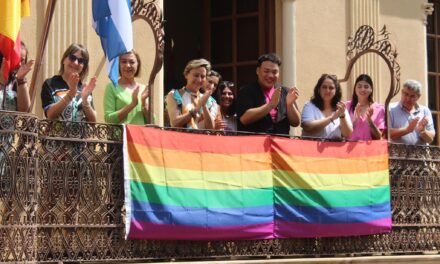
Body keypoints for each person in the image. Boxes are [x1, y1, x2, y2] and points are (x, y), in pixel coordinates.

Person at [237, 53, 300, 135]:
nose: (270, 75)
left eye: (274, 72)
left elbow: (296, 122)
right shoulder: (247, 90)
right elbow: (244, 119)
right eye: (266, 71)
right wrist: (270, 106)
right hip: (256, 143)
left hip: (280, 144)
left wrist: (289, 105)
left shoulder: (285, 91)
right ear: (258, 71)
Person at [41, 43, 96, 122]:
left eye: (81, 61)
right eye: (72, 58)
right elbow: (50, 115)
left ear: (83, 67)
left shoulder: (84, 89)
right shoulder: (50, 84)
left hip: (81, 134)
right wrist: (71, 94)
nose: (76, 63)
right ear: (64, 60)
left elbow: (93, 122)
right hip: (56, 134)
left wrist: (85, 100)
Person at [166, 58, 214, 129]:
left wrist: (204, 105)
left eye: (203, 76)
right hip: (181, 139)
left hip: (201, 139)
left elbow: (211, 128)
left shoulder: (208, 99)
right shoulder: (174, 95)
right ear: (186, 75)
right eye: (196, 75)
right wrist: (197, 108)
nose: (199, 80)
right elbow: (175, 123)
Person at [103, 50, 149, 124]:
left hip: (139, 135)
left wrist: (144, 102)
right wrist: (132, 105)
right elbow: (109, 119)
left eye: (132, 62)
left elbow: (152, 121)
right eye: (124, 62)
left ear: (138, 64)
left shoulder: (144, 89)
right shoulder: (112, 87)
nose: (128, 65)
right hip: (122, 135)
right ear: (118, 64)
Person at [301, 74, 353, 139]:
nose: (327, 90)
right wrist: (331, 118)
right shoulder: (309, 106)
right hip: (311, 148)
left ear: (336, 91)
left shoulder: (341, 108)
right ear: (319, 89)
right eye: (324, 87)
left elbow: (347, 133)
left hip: (334, 148)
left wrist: (342, 116)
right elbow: (307, 127)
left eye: (331, 88)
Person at [389, 79, 436, 145]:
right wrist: (407, 130)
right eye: (406, 94)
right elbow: (386, 134)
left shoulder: (425, 111)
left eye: (412, 96)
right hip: (398, 155)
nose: (408, 99)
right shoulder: (390, 109)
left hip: (420, 155)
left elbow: (430, 139)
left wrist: (423, 131)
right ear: (402, 92)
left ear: (418, 96)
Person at [346, 74, 385, 141]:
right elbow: (343, 134)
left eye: (366, 87)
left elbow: (379, 136)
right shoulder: (346, 106)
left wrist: (369, 121)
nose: (363, 89)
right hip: (349, 149)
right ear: (355, 88)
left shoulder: (379, 109)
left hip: (369, 150)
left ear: (371, 89)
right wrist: (354, 121)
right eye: (359, 86)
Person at [0, 41, 34, 112]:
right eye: (16, 59)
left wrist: (21, 80)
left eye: (22, 60)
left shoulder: (17, 81)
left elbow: (25, 111)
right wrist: (1, 82)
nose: (19, 64)